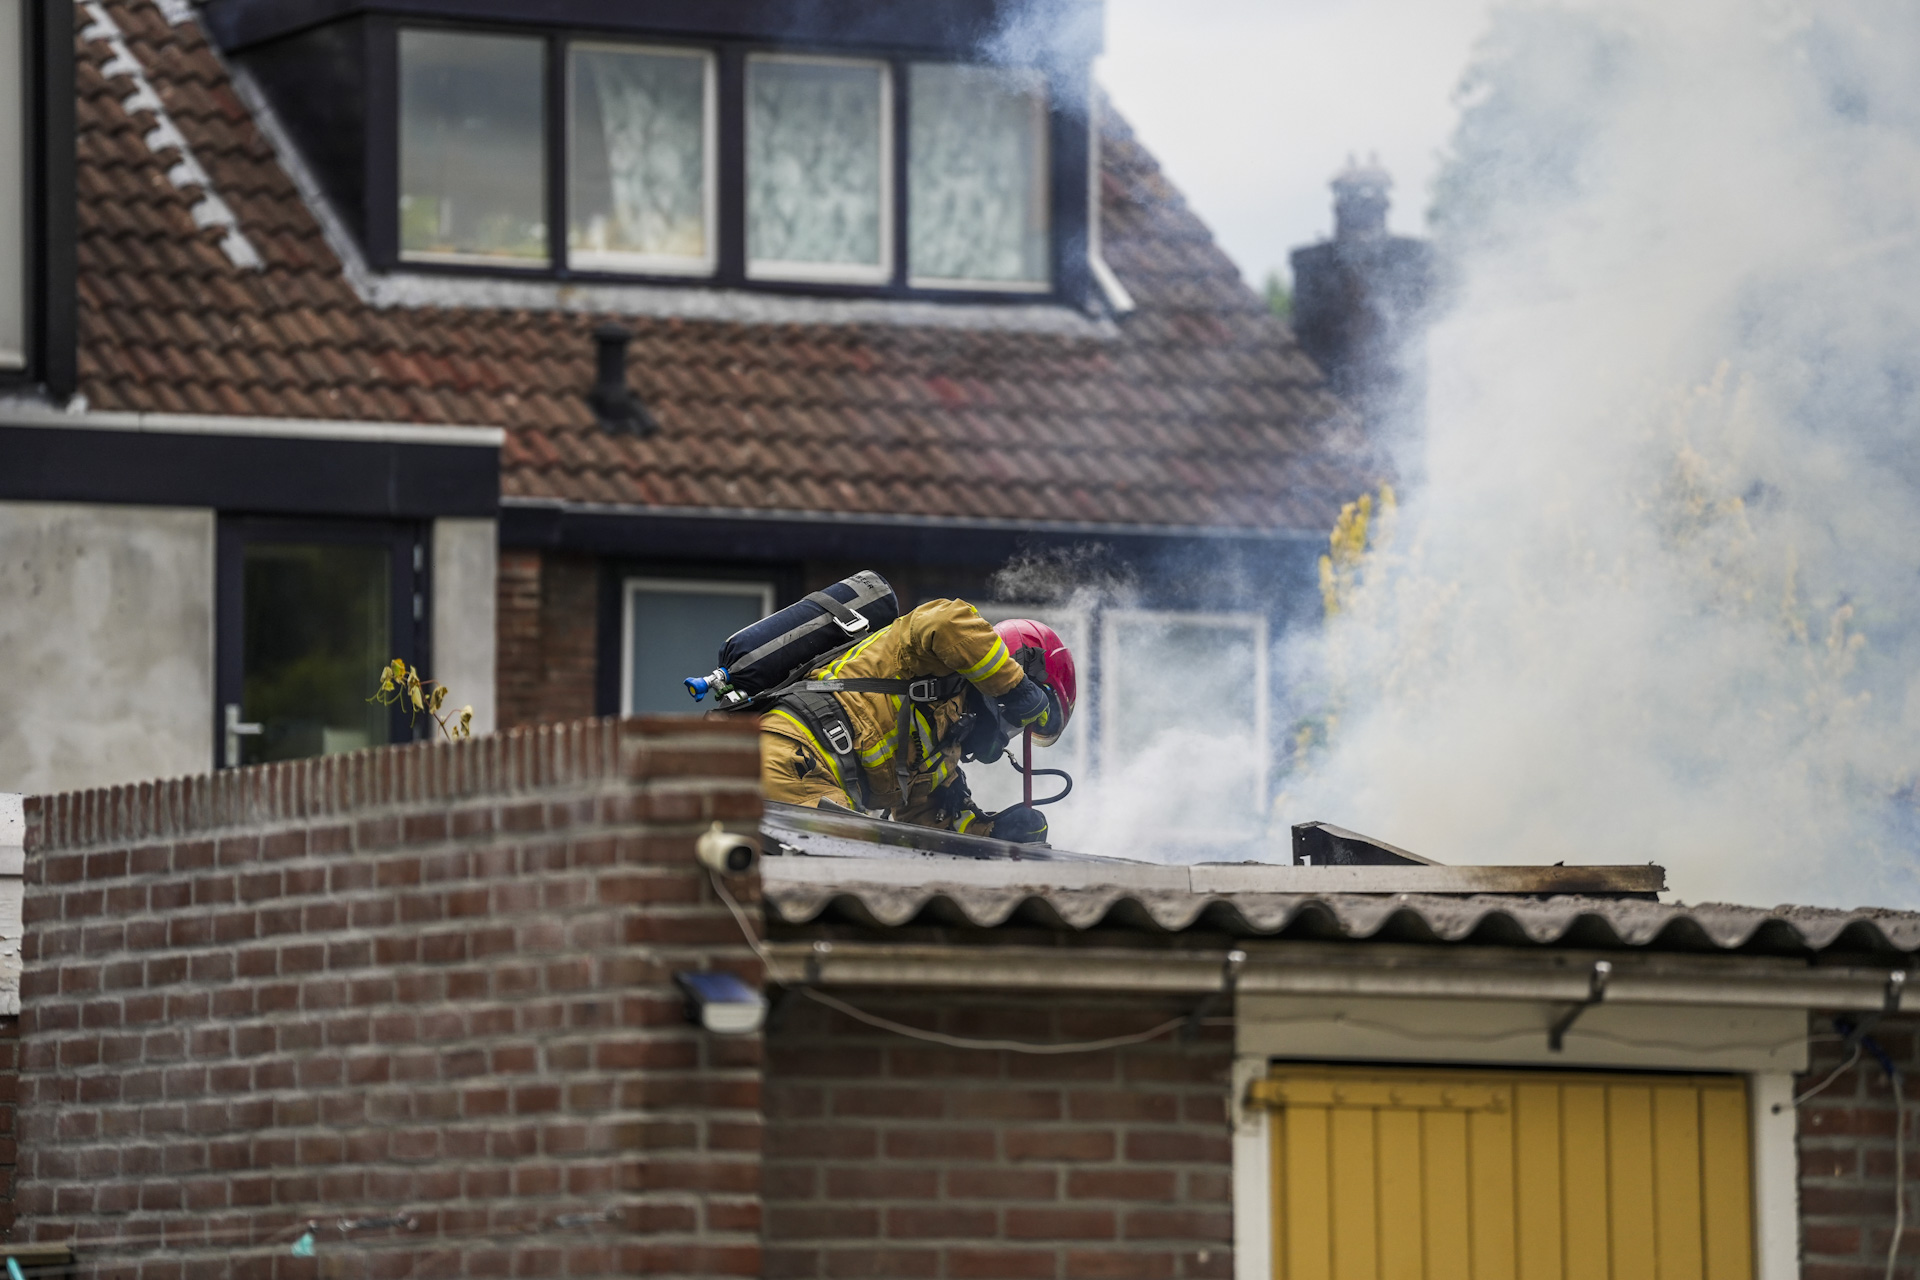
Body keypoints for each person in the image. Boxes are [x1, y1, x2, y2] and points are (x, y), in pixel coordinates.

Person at [759, 600, 1076, 843]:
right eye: (1016, 717)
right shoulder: (933, 659)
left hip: (811, 778)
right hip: (792, 759)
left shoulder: (944, 748)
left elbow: (933, 825)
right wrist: (1016, 687)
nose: (1005, 734)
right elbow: (946, 620)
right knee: (850, 881)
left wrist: (996, 834)